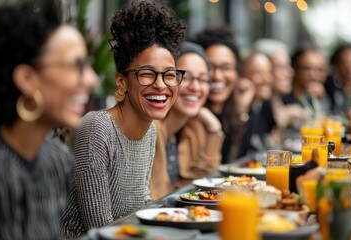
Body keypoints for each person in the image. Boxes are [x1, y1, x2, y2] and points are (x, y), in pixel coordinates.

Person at [0, 0, 98, 239]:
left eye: (87, 65)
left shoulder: (58, 159)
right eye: (76, 66)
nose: (91, 79)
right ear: (27, 79)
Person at [60, 1, 186, 238]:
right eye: (147, 74)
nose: (161, 85)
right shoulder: (97, 129)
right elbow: (102, 230)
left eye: (169, 75)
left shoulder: (150, 129)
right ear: (121, 81)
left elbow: (140, 207)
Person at [150, 42, 223, 200]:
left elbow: (202, 184)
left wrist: (214, 130)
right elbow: (158, 199)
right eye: (186, 77)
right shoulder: (151, 130)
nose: (195, 87)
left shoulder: (192, 129)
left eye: (203, 79)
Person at [193, 27, 254, 163]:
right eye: (210, 67)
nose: (218, 76)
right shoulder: (190, 114)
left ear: (237, 72)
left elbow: (234, 162)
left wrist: (242, 110)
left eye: (226, 68)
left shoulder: (233, 110)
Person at [239, 52, 276, 156]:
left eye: (269, 72)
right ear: (243, 76)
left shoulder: (264, 106)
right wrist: (242, 109)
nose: (266, 79)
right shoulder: (235, 108)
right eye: (258, 73)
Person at [283, 44, 331, 121]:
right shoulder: (282, 96)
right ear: (294, 69)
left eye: (320, 70)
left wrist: (321, 101)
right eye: (307, 68)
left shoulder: (324, 96)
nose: (313, 75)